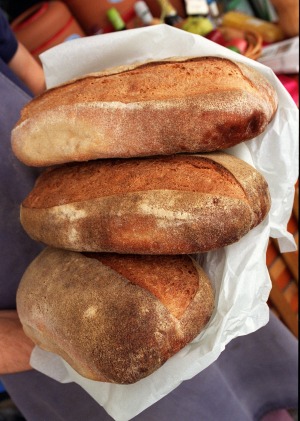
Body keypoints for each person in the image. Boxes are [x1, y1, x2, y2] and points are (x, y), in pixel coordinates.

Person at [0, 8, 298, 420]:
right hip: (49, 319)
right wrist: (38, 339)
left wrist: (62, 107)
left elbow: (8, 48)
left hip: (62, 183)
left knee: (241, 371)